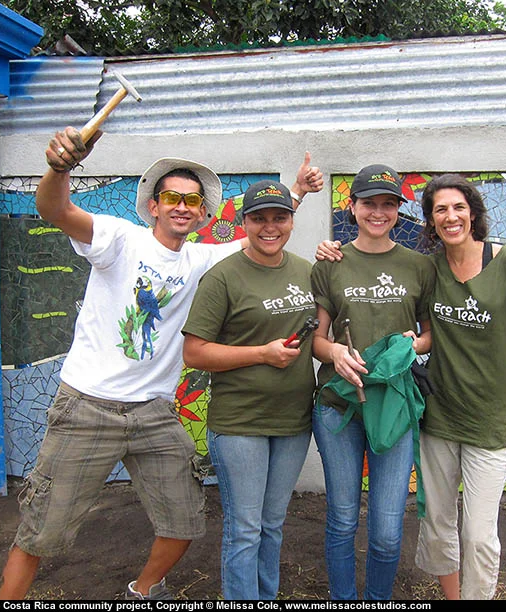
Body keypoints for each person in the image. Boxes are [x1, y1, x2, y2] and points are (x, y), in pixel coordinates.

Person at [0, 126, 323, 600]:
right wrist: (59, 168)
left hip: (153, 411)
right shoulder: (118, 239)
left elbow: (263, 231)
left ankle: (145, 588)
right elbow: (56, 210)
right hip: (87, 406)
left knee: (185, 520)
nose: (182, 207)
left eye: (192, 201)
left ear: (203, 213)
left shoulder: (201, 260)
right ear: (153, 205)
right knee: (41, 529)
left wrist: (297, 191)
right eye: (172, 197)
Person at [181, 180, 317, 600]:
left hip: (293, 421)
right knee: (244, 528)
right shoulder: (223, 277)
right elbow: (194, 353)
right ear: (244, 223)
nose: (270, 227)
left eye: (280, 217)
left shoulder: (306, 271)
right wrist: (262, 354)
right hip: (241, 423)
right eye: (259, 218)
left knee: (272, 524)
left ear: (292, 221)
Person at [413, 173, 506, 600]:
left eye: (458, 207)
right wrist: (331, 252)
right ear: (431, 221)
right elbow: (425, 330)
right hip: (439, 417)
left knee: (478, 534)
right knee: (438, 524)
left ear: (472, 213)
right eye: (440, 210)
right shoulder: (430, 269)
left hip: (491, 420)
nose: (450, 217)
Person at [310, 164, 434, 600]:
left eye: (388, 204)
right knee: (343, 519)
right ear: (353, 207)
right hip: (338, 407)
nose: (378, 212)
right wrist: (335, 353)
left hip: (395, 406)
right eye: (369, 203)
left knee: (386, 529)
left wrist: (412, 345)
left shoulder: (419, 266)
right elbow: (316, 340)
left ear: (398, 210)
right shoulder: (331, 263)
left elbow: (430, 334)